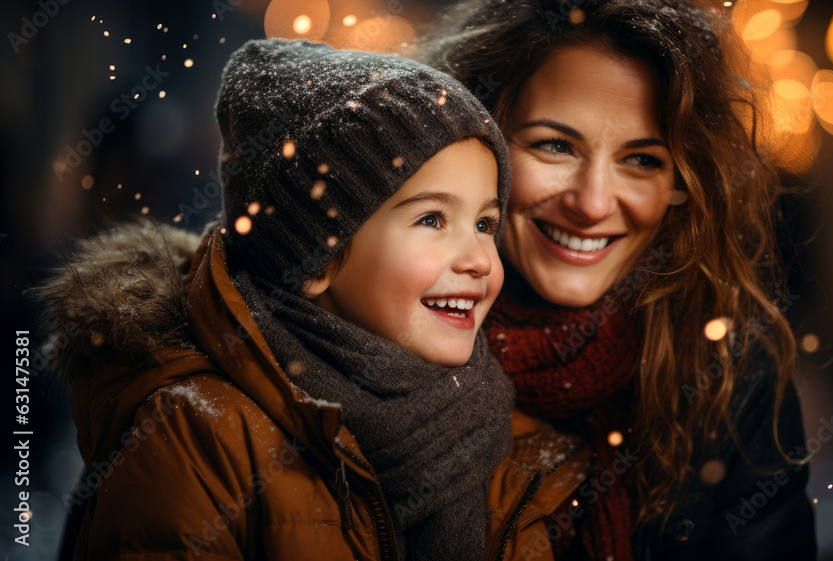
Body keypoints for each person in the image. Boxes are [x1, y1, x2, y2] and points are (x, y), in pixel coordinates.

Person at [36, 38, 587, 561]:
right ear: (317, 258)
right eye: (432, 219)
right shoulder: (197, 435)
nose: (478, 259)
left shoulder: (496, 433)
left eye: (486, 223)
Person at [418, 0, 818, 558]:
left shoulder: (729, 374)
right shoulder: (386, 327)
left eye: (642, 160)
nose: (593, 203)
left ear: (686, 180)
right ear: (473, 144)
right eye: (555, 145)